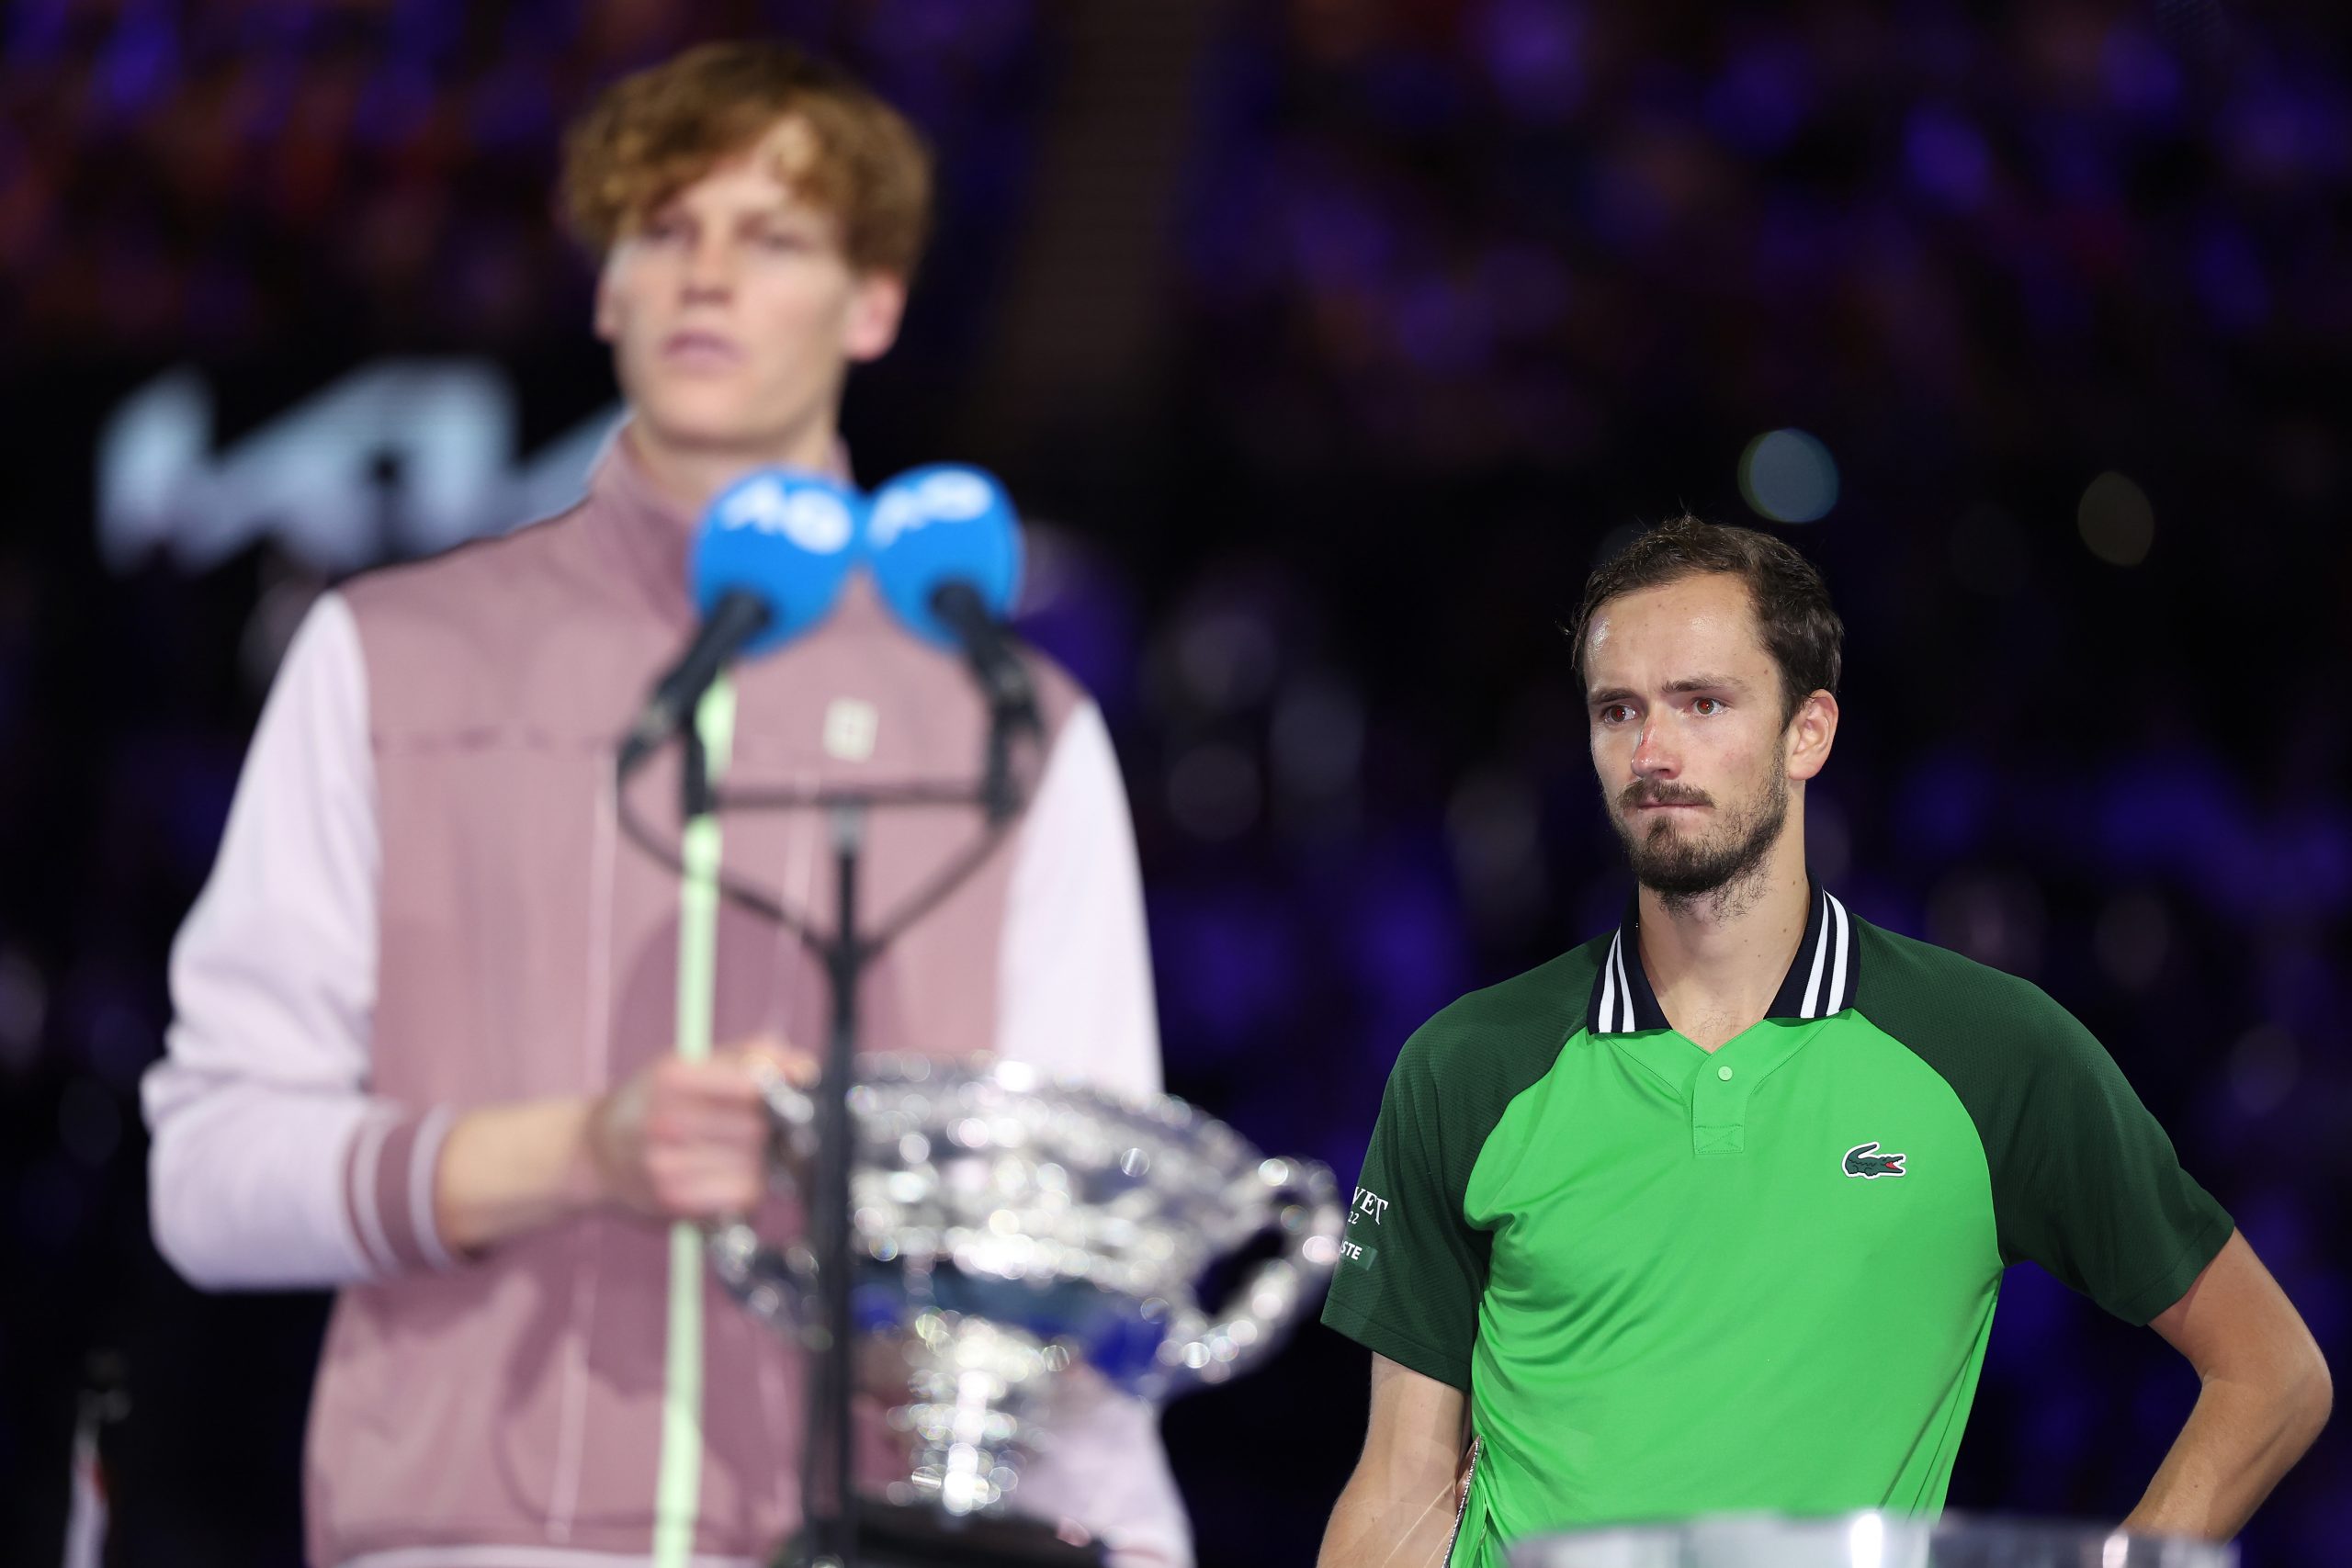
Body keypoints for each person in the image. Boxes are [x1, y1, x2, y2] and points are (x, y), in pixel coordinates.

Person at [142, 40, 1191, 1568]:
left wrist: (1133, 1539)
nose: (705, 275)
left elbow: (1079, 1232)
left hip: (886, 1538)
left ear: (874, 303)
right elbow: (209, 1173)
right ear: (607, 290)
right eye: (662, 231)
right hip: (473, 1535)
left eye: (772, 239)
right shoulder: (391, 656)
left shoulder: (1015, 726)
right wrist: (581, 1150)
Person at [1315, 518, 2331, 1566]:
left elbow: (2271, 1373)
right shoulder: (1468, 1064)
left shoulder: (1988, 1051)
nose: (1651, 753)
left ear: (1809, 731)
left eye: (1701, 703)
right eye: (1619, 710)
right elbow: (1401, 1483)